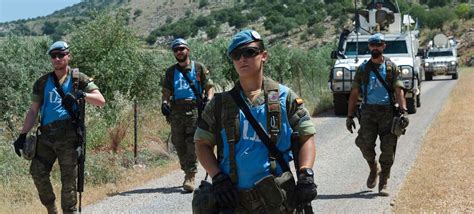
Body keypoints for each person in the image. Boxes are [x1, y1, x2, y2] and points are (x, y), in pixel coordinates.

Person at [194, 30, 318, 213]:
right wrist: (217, 176)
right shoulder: (219, 104)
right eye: (236, 55)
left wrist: (306, 173)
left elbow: (306, 136)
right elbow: (202, 143)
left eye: (250, 52)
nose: (242, 59)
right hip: (233, 200)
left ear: (264, 55)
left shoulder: (284, 97)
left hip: (277, 200)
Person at [12, 41, 105, 213]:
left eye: (61, 55)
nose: (57, 59)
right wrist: (22, 135)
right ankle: (52, 210)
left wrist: (81, 94)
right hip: (46, 136)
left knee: (69, 180)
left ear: (68, 56)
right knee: (37, 172)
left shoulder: (78, 78)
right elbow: (33, 111)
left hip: (69, 136)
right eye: (53, 56)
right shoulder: (41, 82)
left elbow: (100, 100)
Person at [346, 33, 408, 196]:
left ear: (383, 47)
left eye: (378, 45)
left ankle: (384, 181)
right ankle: (374, 168)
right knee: (364, 144)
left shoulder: (391, 67)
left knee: (388, 148)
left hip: (388, 112)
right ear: (369, 47)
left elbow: (399, 89)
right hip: (368, 112)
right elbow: (354, 93)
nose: (375, 48)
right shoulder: (362, 69)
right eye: (373, 45)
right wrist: (350, 115)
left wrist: (404, 111)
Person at [161, 38, 214, 192]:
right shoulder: (171, 72)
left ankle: (190, 175)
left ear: (188, 50)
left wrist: (208, 101)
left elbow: (209, 86)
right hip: (176, 110)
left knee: (192, 141)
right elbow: (166, 92)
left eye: (182, 49)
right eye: (176, 50)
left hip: (194, 109)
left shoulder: (198, 68)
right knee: (178, 142)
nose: (179, 52)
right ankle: (186, 168)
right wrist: (164, 103)